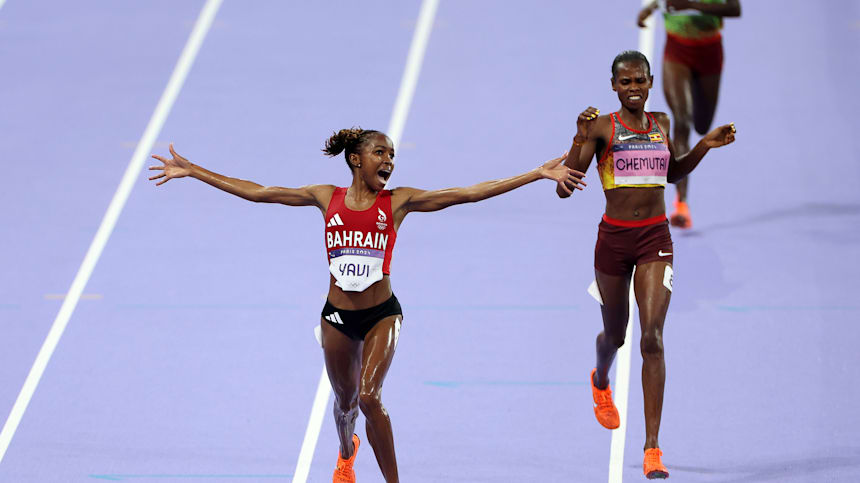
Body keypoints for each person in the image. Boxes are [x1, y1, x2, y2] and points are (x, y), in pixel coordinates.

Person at [149, 129, 585, 483]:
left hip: (382, 314)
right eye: (381, 152)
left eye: (393, 154)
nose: (389, 161)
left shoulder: (397, 202)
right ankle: (346, 450)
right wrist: (193, 171)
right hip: (337, 318)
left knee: (369, 395)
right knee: (344, 406)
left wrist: (534, 174)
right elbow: (260, 192)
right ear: (357, 159)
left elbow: (467, 193)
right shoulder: (326, 197)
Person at [555, 51, 735, 479]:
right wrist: (579, 139)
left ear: (650, 83)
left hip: (656, 240)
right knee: (615, 336)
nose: (634, 88)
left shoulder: (662, 125)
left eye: (640, 81)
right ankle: (600, 380)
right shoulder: (601, 128)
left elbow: (673, 174)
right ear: (614, 86)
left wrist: (705, 146)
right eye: (626, 82)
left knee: (652, 338)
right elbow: (565, 189)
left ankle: (652, 447)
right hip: (613, 244)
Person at [637, 0, 741, 228]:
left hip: (709, 53)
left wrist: (691, 5)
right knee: (682, 122)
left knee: (702, 126)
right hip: (677, 52)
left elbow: (735, 9)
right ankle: (682, 204)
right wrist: (651, 8)